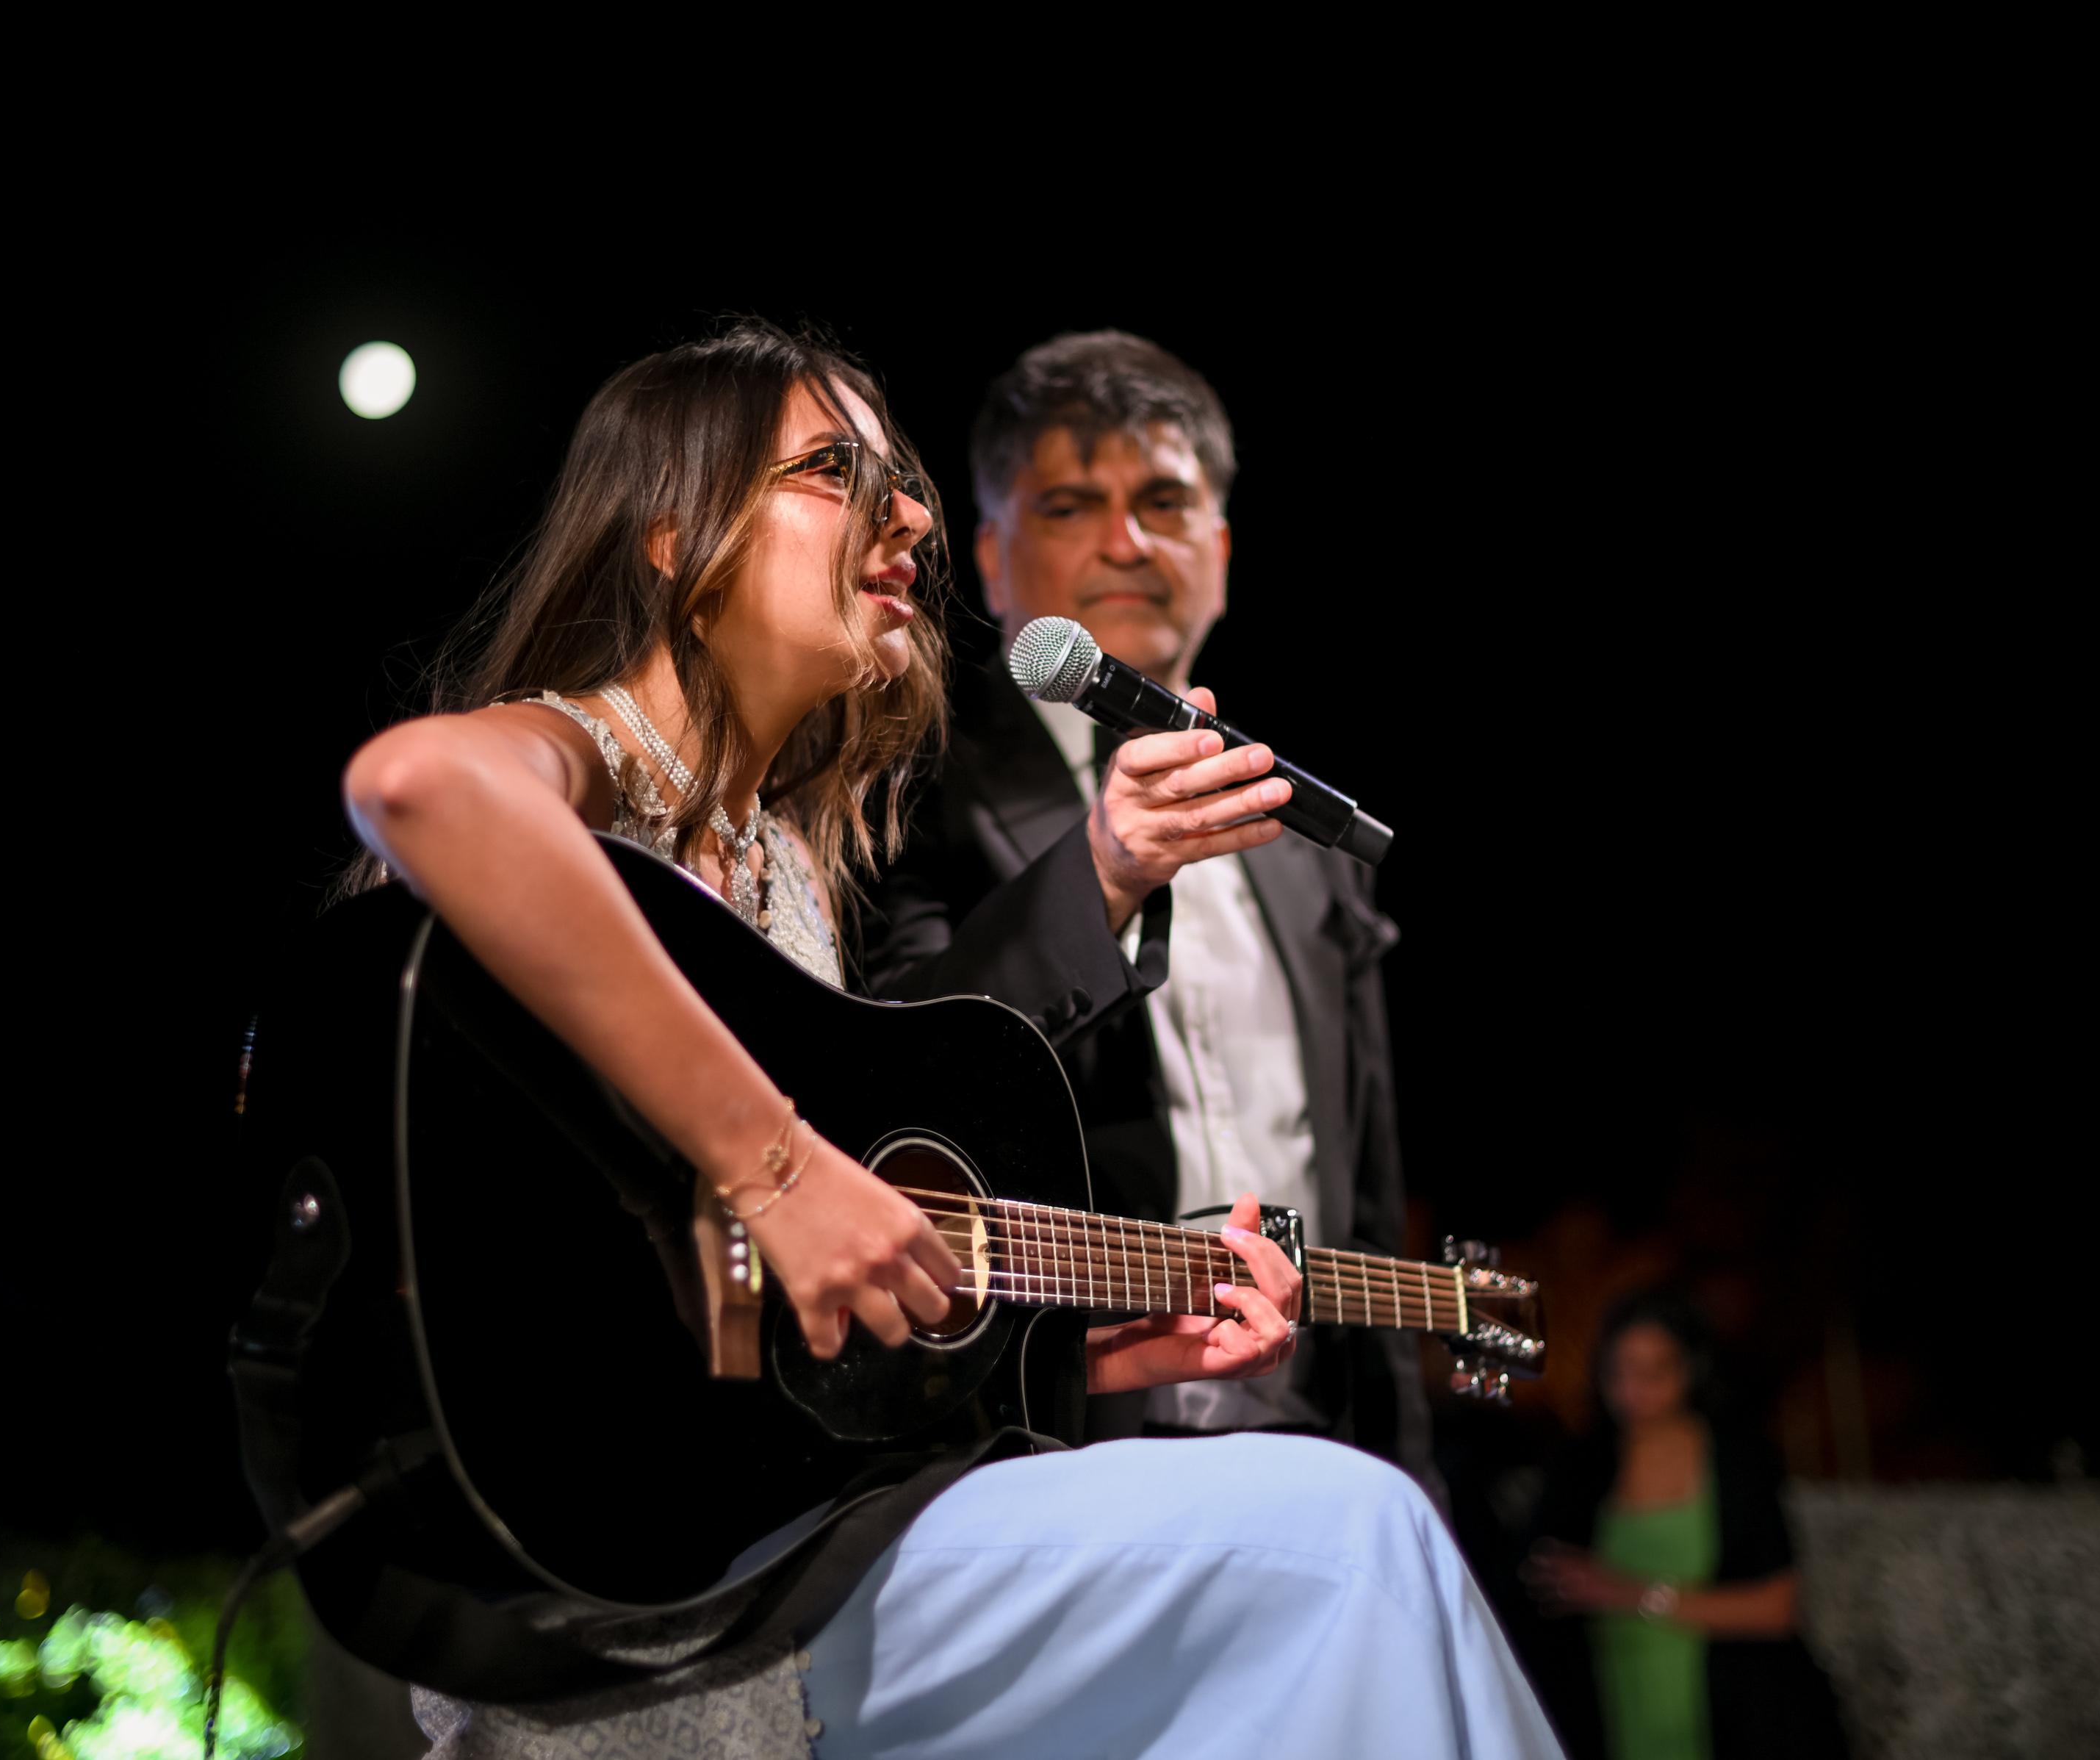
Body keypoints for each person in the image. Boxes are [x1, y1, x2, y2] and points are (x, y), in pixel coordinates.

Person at [339, 319, 1561, 1758]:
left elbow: (789, 1345)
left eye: (902, 480)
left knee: (1351, 1565)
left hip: (802, 1544)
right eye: (831, 470)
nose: (905, 510)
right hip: (640, 1587)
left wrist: (1092, 1349)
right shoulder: (587, 758)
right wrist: (782, 1172)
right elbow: (419, 783)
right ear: (670, 533)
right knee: (1350, 1544)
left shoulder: (786, 865)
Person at [857, 331, 1439, 1504]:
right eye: (1073, 504)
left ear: (1220, 551)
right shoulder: (910, 789)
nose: (1128, 541)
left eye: (1165, 500)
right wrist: (1105, 872)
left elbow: (1364, 1194)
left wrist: (1408, 1467)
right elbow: (897, 1088)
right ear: (993, 555)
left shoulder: (1308, 847)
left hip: (1313, 1436)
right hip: (1054, 1439)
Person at [1523, 1290, 1848, 1760]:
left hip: (1733, 1710)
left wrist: (1630, 1594)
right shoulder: (1581, 1464)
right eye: (1621, 1371)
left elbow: (1778, 1608)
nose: (1634, 1390)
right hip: (1608, 1701)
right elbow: (1538, 1583)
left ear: (1692, 1369)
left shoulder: (1739, 1462)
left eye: (1654, 1372)